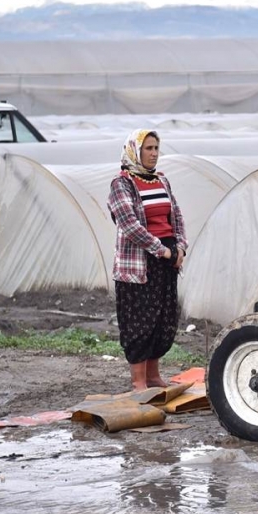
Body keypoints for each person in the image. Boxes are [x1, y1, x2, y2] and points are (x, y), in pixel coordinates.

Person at [106, 129, 187, 391]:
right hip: (139, 264)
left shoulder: (161, 181)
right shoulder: (122, 184)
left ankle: (153, 376)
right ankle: (138, 381)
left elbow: (177, 217)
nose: (153, 154)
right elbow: (129, 225)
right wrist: (160, 250)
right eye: (148, 148)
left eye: (156, 148)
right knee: (140, 320)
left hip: (167, 258)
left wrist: (180, 248)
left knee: (163, 318)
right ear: (135, 151)